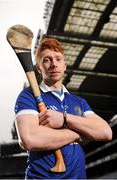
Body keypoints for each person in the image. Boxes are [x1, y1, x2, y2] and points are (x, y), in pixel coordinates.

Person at [14, 37, 112, 179]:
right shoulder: (27, 96)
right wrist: (78, 134)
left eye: (58, 59)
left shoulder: (78, 101)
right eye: (47, 60)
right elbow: (29, 139)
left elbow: (105, 132)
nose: (54, 64)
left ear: (65, 65)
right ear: (38, 68)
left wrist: (64, 119)